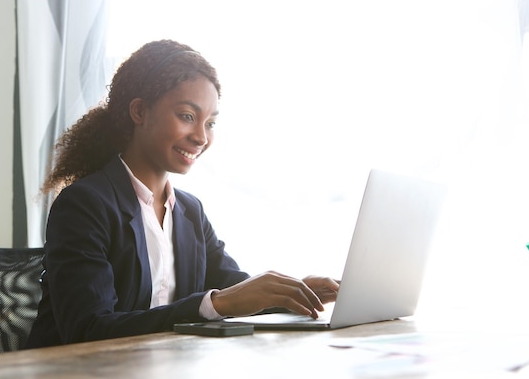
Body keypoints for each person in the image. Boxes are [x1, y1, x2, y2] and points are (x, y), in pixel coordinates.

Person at [25, 39, 339, 348]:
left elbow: (236, 290)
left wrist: (291, 293)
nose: (201, 137)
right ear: (139, 112)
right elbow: (88, 330)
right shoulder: (85, 205)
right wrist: (216, 303)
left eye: (211, 122)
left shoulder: (189, 212)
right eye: (187, 116)